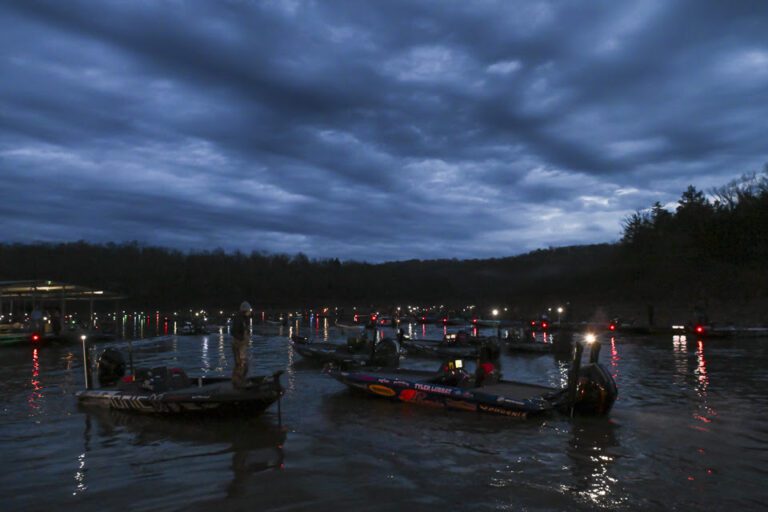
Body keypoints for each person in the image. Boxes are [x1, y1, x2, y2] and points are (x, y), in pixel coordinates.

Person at [230, 301, 253, 389]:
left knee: (244, 365)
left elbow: (245, 329)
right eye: (248, 310)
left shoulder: (245, 318)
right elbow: (233, 331)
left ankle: (240, 381)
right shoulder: (238, 318)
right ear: (244, 311)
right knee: (240, 365)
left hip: (243, 346)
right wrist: (241, 338)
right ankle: (237, 383)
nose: (249, 312)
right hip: (238, 345)